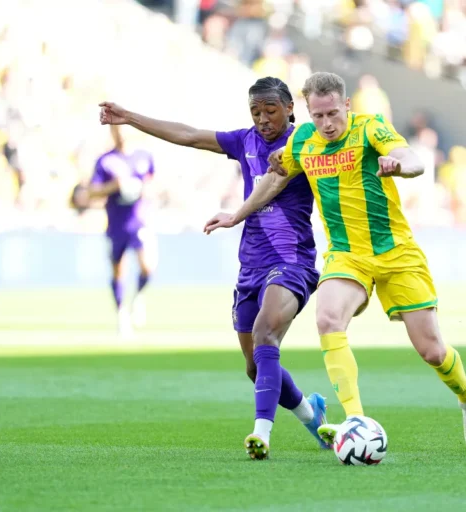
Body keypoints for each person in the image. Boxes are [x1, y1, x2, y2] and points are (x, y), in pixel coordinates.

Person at [204, 72, 466, 454]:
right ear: (307, 112)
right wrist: (237, 215)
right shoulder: (302, 141)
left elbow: (413, 159)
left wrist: (398, 166)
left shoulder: (370, 129)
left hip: (395, 253)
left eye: (333, 114)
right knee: (328, 318)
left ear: (347, 106)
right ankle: (356, 420)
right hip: (345, 255)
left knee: (432, 351)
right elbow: (275, 180)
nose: (326, 123)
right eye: (318, 116)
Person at [98, 77, 329, 460]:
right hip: (251, 263)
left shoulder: (303, 140)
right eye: (255, 112)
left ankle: (261, 433)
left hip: (292, 260)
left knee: (265, 334)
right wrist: (130, 118)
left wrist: (237, 214)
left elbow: (278, 178)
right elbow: (188, 134)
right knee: (256, 367)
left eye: (270, 110)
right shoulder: (244, 141)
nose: (262, 119)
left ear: (290, 107)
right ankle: (311, 413)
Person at [83, 125, 158, 338]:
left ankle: (137, 298)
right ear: (112, 133)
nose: (121, 134)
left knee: (147, 267)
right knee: (118, 270)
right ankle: (121, 315)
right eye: (116, 130)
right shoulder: (105, 161)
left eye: (124, 129)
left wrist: (143, 190)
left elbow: (153, 184)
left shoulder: (144, 156)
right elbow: (92, 192)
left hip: (140, 221)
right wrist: (114, 187)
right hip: (116, 223)